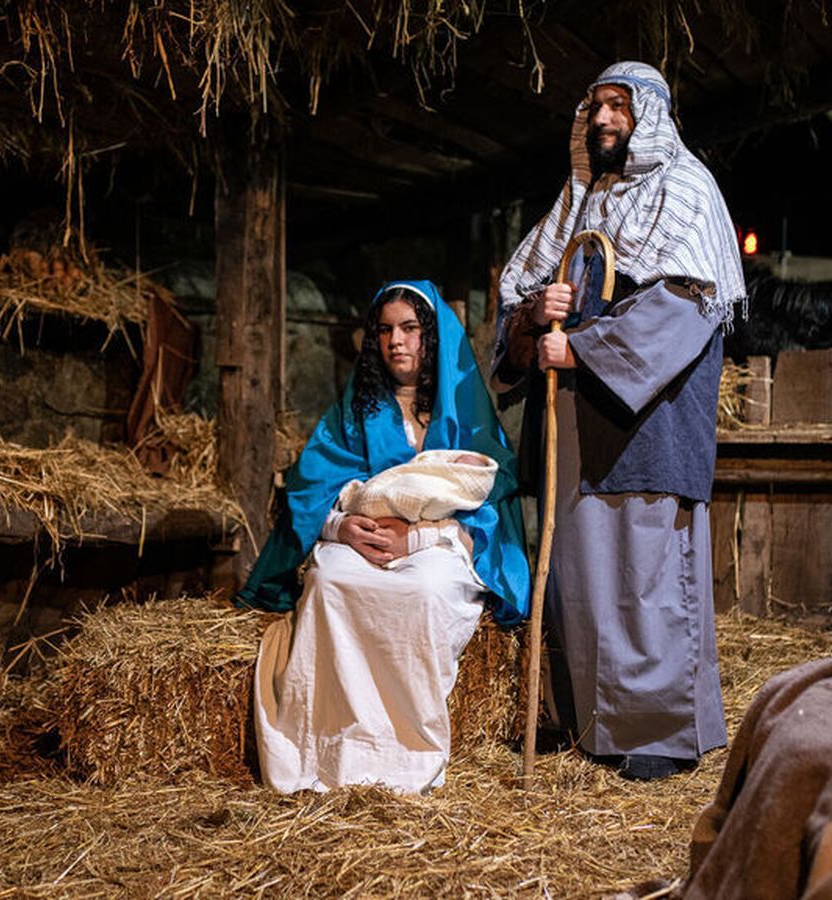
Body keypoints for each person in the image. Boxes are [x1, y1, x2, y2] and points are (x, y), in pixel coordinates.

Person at [493, 61, 745, 781]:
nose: (603, 118)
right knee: (581, 584)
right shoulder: (579, 203)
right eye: (596, 106)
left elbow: (682, 309)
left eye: (619, 106)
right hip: (574, 425)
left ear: (649, 118)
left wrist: (579, 347)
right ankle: (584, 725)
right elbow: (523, 303)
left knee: (644, 582)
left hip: (646, 425)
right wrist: (535, 315)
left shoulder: (685, 191)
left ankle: (655, 737)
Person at [236, 279, 530, 794]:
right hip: (362, 539)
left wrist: (417, 539)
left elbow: (492, 487)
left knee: (426, 589)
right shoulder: (358, 410)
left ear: (431, 337)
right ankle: (332, 749)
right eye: (386, 330)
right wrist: (340, 527)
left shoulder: (465, 410)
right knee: (328, 581)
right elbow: (311, 485)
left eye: (410, 328)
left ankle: (404, 751)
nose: (396, 341)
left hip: (438, 544)